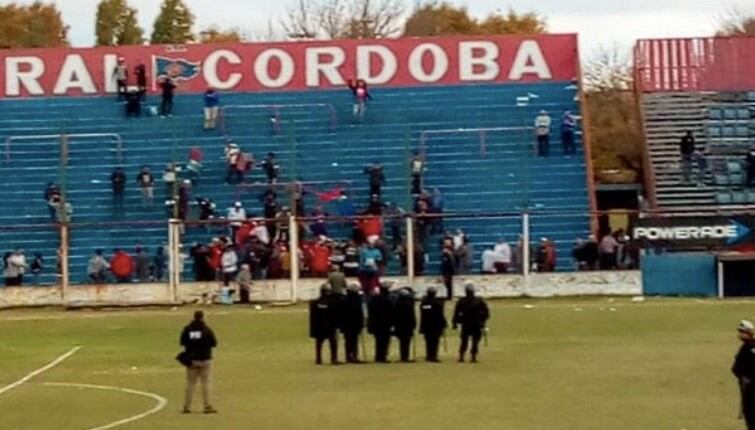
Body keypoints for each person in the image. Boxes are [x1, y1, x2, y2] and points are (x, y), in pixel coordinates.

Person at [180, 311, 218, 414]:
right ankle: (207, 405)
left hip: (191, 360)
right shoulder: (207, 330)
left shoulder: (187, 329)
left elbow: (182, 341)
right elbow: (214, 343)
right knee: (205, 383)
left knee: (190, 384)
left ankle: (187, 406)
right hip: (205, 359)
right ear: (202, 318)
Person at [453, 284, 489, 363]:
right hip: (476, 324)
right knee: (475, 341)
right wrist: (483, 320)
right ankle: (472, 357)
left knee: (464, 341)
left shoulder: (461, 301)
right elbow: (486, 313)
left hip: (466, 324)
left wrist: (455, 323)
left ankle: (462, 357)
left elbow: (456, 313)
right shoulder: (479, 300)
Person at [309, 285, 341, 365]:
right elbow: (335, 314)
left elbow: (313, 316)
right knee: (333, 342)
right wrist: (337, 325)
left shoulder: (315, 303)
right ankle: (334, 358)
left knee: (319, 343)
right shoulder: (332, 302)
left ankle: (318, 358)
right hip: (330, 326)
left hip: (319, 326)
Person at [733, 320, 755, 429]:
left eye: (742, 332)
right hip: (747, 389)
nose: (740, 334)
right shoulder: (745, 347)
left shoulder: (750, 349)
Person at [419, 287, 447, 363]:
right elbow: (439, 313)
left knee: (430, 341)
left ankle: (430, 355)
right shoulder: (435, 303)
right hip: (435, 325)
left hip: (427, 325)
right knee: (434, 341)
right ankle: (432, 355)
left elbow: (425, 309)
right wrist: (444, 324)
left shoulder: (424, 302)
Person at [368, 285, 394, 363]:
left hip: (376, 323)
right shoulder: (388, 300)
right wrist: (392, 323)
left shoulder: (372, 300)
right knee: (385, 341)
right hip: (385, 324)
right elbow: (391, 313)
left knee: (378, 341)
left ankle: (378, 356)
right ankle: (383, 356)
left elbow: (370, 313)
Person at [341, 284, 364, 363]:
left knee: (348, 340)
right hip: (354, 323)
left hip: (347, 323)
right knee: (353, 340)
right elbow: (359, 312)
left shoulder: (344, 299)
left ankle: (349, 356)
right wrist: (361, 323)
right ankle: (353, 355)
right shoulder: (357, 300)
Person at [394, 289, 417, 363]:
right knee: (406, 342)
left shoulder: (397, 304)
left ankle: (403, 356)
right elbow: (412, 316)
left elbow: (395, 316)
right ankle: (405, 356)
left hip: (400, 326)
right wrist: (413, 324)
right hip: (407, 326)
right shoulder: (409, 304)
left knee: (402, 342)